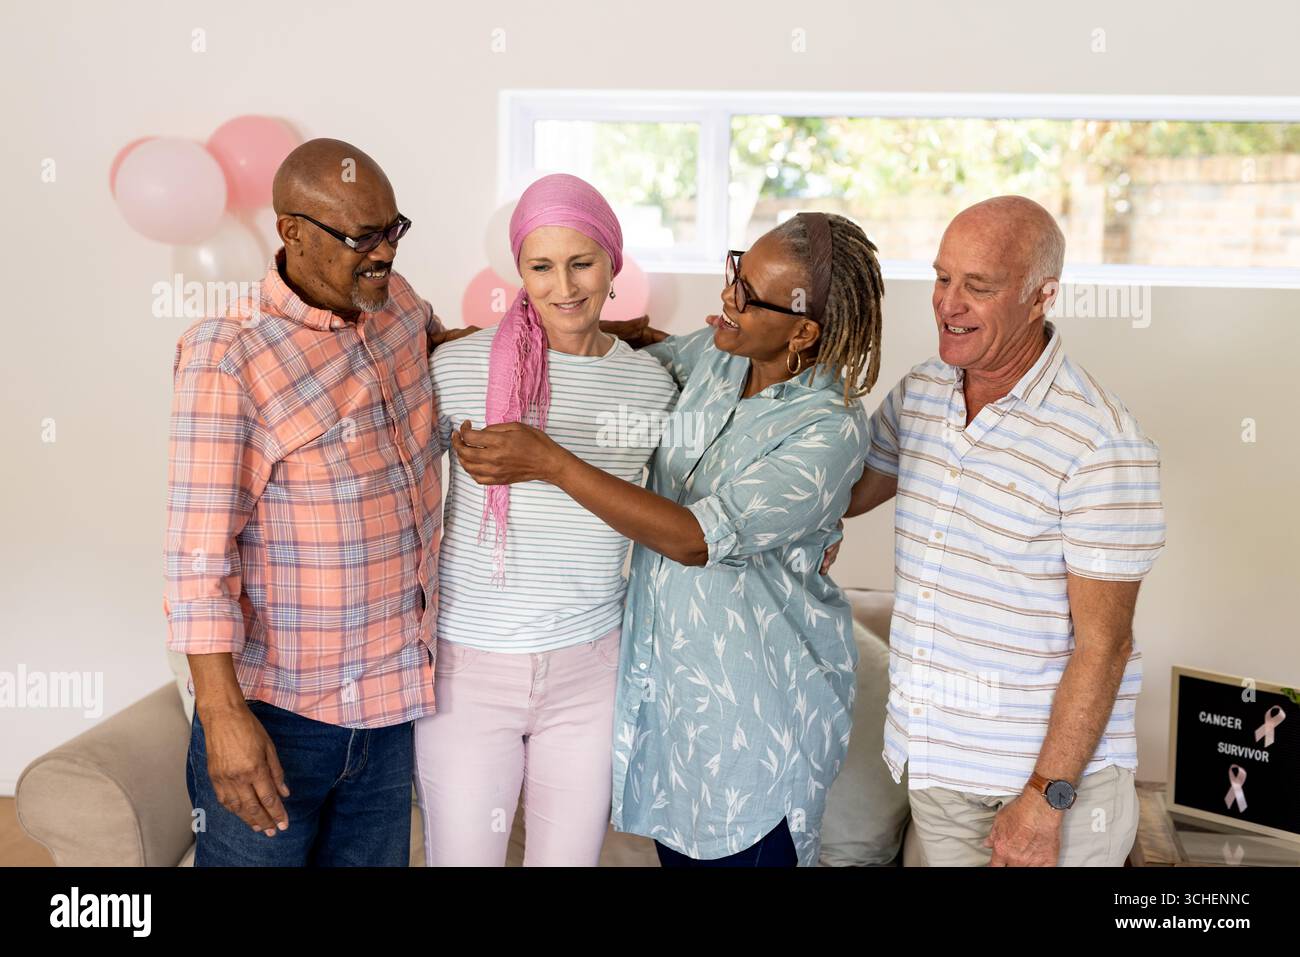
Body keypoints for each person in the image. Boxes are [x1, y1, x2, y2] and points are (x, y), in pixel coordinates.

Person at [453, 212, 885, 866]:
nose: (727, 299)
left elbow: (695, 538)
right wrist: (489, 339)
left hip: (757, 726)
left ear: (802, 330)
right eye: (736, 271)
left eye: (748, 296)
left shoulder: (828, 429)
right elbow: (618, 354)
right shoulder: (716, 356)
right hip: (674, 719)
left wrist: (551, 463)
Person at [164, 138, 470, 866]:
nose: (384, 254)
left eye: (393, 229)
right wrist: (222, 713)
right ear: (292, 231)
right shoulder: (229, 353)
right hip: (279, 719)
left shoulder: (396, 306)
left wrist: (596, 339)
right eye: (362, 236)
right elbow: (196, 554)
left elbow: (458, 352)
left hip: (392, 709)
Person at [845, 195, 1166, 866]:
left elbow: (1104, 647)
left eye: (978, 287)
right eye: (942, 278)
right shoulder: (924, 393)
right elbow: (840, 497)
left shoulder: (1100, 440)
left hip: (1046, 788)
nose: (948, 303)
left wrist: (1045, 798)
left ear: (1041, 295)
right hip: (936, 767)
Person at [413, 173, 679, 865]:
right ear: (520, 272)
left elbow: (684, 515)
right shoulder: (458, 367)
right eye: (541, 266)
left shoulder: (652, 385)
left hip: (591, 672)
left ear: (614, 264)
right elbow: (390, 491)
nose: (564, 286)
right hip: (468, 670)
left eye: (582, 262)